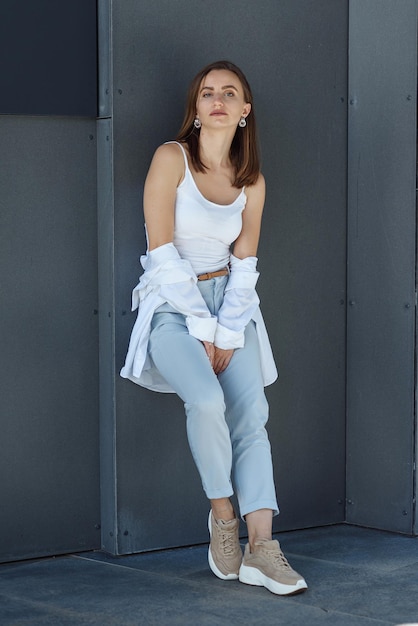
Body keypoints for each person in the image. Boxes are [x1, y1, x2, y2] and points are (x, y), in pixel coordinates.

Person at [121, 60, 307, 596]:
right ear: (196, 108)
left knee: (252, 415)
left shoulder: (252, 182)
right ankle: (222, 515)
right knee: (205, 402)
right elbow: (159, 251)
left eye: (230, 93)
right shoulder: (170, 159)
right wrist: (201, 327)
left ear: (245, 111)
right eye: (208, 94)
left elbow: (245, 264)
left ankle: (263, 548)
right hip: (173, 306)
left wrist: (227, 332)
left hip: (232, 306)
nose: (218, 100)